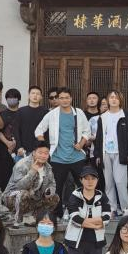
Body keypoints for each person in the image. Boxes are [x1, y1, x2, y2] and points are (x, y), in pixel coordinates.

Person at [35, 88, 91, 219]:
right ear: (58, 99)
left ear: (71, 98)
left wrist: (81, 143)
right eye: (61, 98)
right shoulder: (52, 114)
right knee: (57, 188)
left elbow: (87, 131)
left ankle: (85, 211)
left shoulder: (78, 113)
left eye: (67, 97)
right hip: (58, 158)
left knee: (84, 185)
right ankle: (57, 215)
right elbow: (39, 130)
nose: (64, 100)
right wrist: (44, 147)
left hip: (77, 156)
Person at [95, 90, 128, 217]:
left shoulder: (126, 116)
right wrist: (98, 154)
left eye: (116, 98)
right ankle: (112, 208)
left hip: (120, 153)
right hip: (106, 153)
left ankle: (125, 208)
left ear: (120, 100)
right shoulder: (102, 117)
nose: (113, 99)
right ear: (108, 100)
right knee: (108, 183)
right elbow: (99, 137)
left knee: (120, 182)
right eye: (111, 97)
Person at [2, 142, 60, 225]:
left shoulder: (48, 167)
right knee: (24, 194)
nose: (43, 156)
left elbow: (52, 184)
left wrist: (49, 191)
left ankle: (39, 217)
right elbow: (19, 186)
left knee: (54, 197)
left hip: (34, 198)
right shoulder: (22, 164)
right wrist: (32, 172)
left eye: (46, 153)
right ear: (34, 153)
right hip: (12, 197)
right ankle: (19, 218)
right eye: (40, 153)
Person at [0, 88, 23, 188]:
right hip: (4, 150)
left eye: (14, 97)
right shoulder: (2, 114)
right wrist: (7, 143)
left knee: (20, 175)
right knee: (4, 176)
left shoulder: (22, 113)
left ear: (18, 99)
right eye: (9, 98)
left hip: (20, 149)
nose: (11, 99)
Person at [17, 86, 46, 156]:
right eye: (33, 93)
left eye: (38, 94)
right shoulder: (20, 111)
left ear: (41, 97)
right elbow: (16, 130)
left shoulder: (46, 112)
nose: (35, 96)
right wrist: (19, 146)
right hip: (24, 150)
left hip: (40, 150)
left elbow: (47, 132)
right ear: (28, 95)